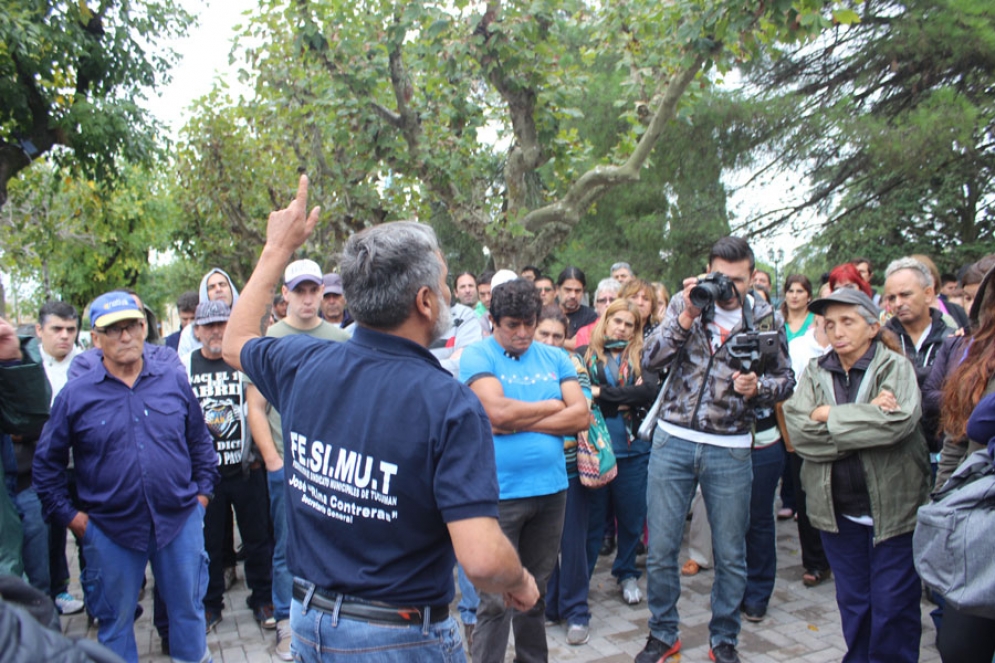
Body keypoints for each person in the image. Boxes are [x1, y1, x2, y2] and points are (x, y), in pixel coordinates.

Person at [222, 175, 539, 663]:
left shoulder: (303, 363)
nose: (449, 298)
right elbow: (479, 559)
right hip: (401, 638)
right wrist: (519, 579)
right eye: (442, 284)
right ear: (424, 301)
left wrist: (276, 248)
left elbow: (234, 340)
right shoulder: (449, 405)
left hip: (310, 623)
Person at [33, 291, 219, 663]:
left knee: (188, 614)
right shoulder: (75, 395)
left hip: (178, 521)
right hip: (110, 531)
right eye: (113, 329)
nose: (125, 336)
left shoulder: (171, 380)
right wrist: (76, 521)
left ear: (143, 328)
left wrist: (201, 498)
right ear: (95, 339)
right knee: (114, 624)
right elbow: (46, 466)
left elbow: (200, 442)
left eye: (132, 326)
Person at [638, 236, 794, 663]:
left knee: (730, 552)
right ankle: (662, 632)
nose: (728, 288)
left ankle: (724, 638)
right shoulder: (685, 303)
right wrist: (687, 313)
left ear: (752, 277)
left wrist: (757, 387)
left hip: (731, 445)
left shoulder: (764, 316)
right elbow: (649, 360)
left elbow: (786, 380)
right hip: (674, 439)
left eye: (738, 280)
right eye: (720, 277)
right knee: (663, 548)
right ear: (708, 271)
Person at [784, 288, 929, 663]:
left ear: (872, 326)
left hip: (894, 514)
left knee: (893, 606)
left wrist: (826, 415)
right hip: (838, 514)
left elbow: (896, 424)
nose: (837, 331)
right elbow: (799, 433)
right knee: (855, 604)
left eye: (847, 321)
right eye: (829, 324)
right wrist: (864, 415)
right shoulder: (816, 370)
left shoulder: (894, 367)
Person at [460, 277, 588, 663]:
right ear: (493, 322)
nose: (523, 333)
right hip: (499, 495)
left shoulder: (555, 356)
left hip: (551, 492)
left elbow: (580, 416)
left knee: (535, 592)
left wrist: (517, 419)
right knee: (496, 599)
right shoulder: (478, 356)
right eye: (512, 324)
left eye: (528, 323)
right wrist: (552, 407)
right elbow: (494, 414)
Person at [245, 259, 350, 660]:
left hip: (332, 465)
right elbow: (256, 407)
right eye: (300, 291)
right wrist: (273, 461)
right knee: (287, 545)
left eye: (314, 291)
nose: (308, 299)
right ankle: (287, 622)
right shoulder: (270, 338)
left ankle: (332, 619)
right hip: (287, 464)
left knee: (334, 540)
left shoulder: (340, 339)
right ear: (284, 294)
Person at [182, 300, 274, 633]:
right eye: (209, 326)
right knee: (208, 544)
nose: (217, 331)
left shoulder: (240, 363)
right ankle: (210, 604)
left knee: (258, 539)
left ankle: (263, 598)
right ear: (197, 331)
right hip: (207, 478)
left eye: (222, 324)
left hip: (246, 469)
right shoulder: (186, 366)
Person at [582, 299, 658, 607]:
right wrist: (623, 398)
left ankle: (627, 573)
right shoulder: (585, 355)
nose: (623, 328)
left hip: (634, 451)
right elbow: (581, 392)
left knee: (631, 518)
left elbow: (647, 393)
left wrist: (601, 394)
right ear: (605, 320)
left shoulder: (645, 357)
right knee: (592, 523)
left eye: (630, 324)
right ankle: (580, 581)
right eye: (618, 321)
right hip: (596, 451)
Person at [534, 305, 594, 646]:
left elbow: (580, 410)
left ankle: (577, 612)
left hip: (570, 466)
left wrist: (527, 414)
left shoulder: (572, 363)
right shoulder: (519, 363)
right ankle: (551, 605)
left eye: (558, 335)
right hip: (534, 469)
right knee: (542, 544)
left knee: (572, 543)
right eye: (545, 333)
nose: (551, 341)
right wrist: (557, 406)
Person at [34, 301, 85, 615]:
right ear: (40, 330)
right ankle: (57, 590)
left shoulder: (87, 364)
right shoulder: (28, 367)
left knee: (88, 535)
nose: (64, 336)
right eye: (56, 329)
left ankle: (95, 598)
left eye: (70, 329)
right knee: (50, 535)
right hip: (46, 467)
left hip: (82, 466)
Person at [883, 257, 954, 452]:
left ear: (928, 293)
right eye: (891, 298)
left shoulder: (952, 338)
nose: (898, 303)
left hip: (945, 447)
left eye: (905, 295)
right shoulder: (880, 342)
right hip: (899, 451)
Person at [178, 268, 241, 358]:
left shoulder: (247, 325)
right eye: (212, 287)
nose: (218, 289)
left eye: (222, 285)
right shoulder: (189, 333)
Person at [558, 267, 598, 350]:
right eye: (568, 290)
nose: (573, 295)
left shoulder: (591, 317)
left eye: (577, 291)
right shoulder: (547, 312)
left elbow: (582, 344)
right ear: (557, 289)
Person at [573, 278, 620, 348]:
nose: (608, 304)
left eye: (612, 300)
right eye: (603, 300)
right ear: (596, 304)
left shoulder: (628, 330)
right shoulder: (584, 333)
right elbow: (584, 358)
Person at [781, 275, 814, 342]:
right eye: (790, 291)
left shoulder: (816, 319)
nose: (794, 296)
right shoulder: (777, 321)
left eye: (799, 291)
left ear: (809, 297)